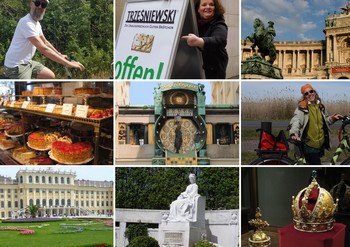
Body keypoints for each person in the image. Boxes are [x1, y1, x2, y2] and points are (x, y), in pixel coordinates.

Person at [4, 0, 84, 79]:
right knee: (24, 90)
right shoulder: (26, 22)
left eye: (43, 5)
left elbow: (45, 42)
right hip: (16, 66)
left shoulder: (37, 23)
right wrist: (67, 63)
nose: (40, 6)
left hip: (27, 62)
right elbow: (43, 49)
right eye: (37, 3)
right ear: (31, 3)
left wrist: (59, 54)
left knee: (49, 76)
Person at [289, 84, 342, 164]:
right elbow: (296, 121)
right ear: (304, 96)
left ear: (314, 92)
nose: (310, 94)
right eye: (306, 93)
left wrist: (333, 118)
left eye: (311, 91)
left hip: (320, 146)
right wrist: (293, 133)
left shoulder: (321, 106)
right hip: (309, 145)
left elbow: (325, 122)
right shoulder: (302, 108)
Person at [182, 0, 228, 79]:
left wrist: (199, 41)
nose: (208, 7)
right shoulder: (194, 22)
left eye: (211, 4)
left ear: (215, 8)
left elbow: (220, 40)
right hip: (193, 67)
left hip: (213, 69)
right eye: (204, 5)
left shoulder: (219, 23)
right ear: (198, 9)